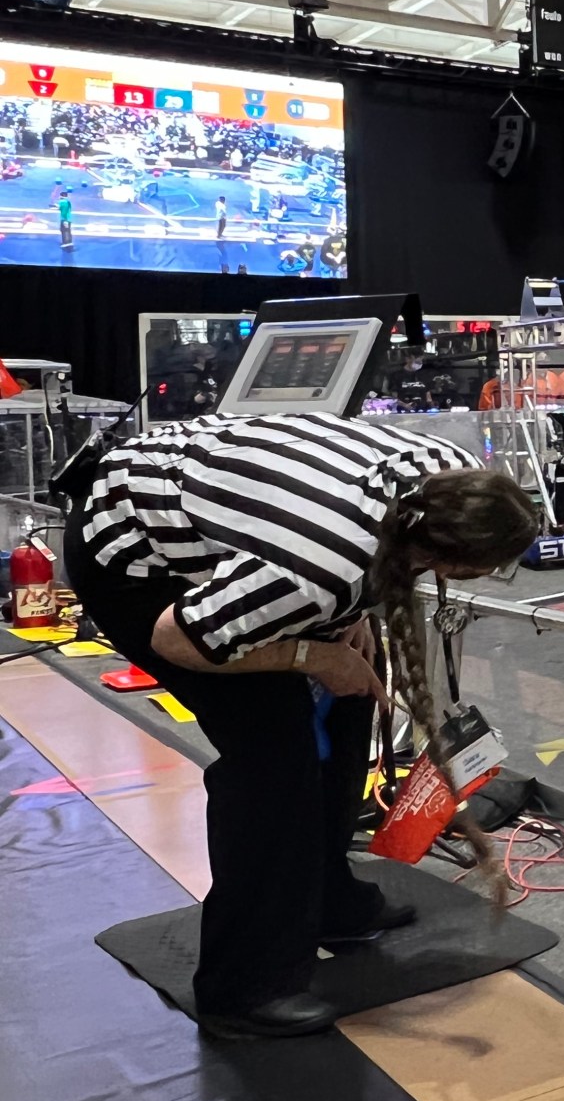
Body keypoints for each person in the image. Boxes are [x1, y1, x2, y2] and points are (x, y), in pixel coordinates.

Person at [63, 415, 538, 1038]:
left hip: (243, 523)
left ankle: (324, 898)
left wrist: (351, 616)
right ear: (444, 562)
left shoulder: (445, 476)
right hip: (127, 551)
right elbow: (176, 637)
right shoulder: (322, 566)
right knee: (272, 754)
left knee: (349, 702)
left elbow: (348, 570)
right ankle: (243, 987)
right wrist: (313, 653)